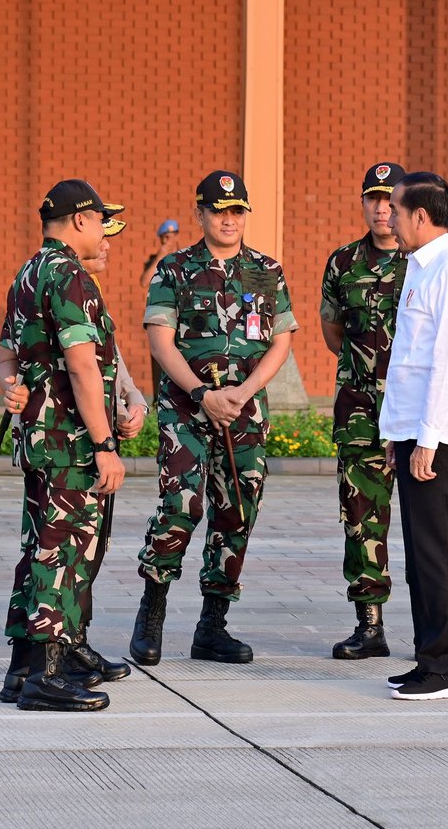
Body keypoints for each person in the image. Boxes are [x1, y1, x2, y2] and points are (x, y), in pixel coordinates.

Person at [129, 170, 298, 666]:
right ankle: (152, 610)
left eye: (237, 211)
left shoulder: (268, 271)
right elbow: (160, 340)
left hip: (244, 413)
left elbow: (282, 339)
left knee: (237, 512)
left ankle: (213, 625)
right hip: (186, 410)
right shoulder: (174, 269)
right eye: (218, 211)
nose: (228, 220)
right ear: (200, 213)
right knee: (181, 504)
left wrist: (243, 392)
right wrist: (203, 393)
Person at [0, 219, 147, 700]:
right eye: (101, 225)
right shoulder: (69, 276)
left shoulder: (29, 273)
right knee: (64, 553)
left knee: (41, 546)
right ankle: (47, 676)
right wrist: (105, 446)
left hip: (42, 440)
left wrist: (12, 386)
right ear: (80, 220)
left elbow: (4, 355)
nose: (105, 236)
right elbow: (83, 366)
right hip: (71, 443)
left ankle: (22, 668)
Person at [379, 172, 448, 700]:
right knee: (419, 554)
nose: (387, 215)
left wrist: (430, 439)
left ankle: (445, 668)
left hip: (437, 437)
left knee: (435, 553)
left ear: (420, 215)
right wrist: (401, 436)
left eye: (395, 208)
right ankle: (429, 659)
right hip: (416, 433)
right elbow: (410, 366)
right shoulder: (420, 269)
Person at [320, 162, 407, 660]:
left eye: (388, 200)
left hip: (412, 412)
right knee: (361, 517)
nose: (380, 208)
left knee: (424, 522)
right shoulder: (343, 262)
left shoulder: (422, 262)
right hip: (359, 411)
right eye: (372, 199)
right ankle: (369, 626)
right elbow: (333, 331)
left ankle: (435, 631)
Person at [140, 219, 181, 401]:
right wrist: (161, 255)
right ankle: (159, 402)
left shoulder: (184, 261)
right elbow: (144, 281)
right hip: (161, 322)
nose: (168, 241)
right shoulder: (155, 262)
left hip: (182, 324)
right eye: (164, 238)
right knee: (159, 363)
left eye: (171, 237)